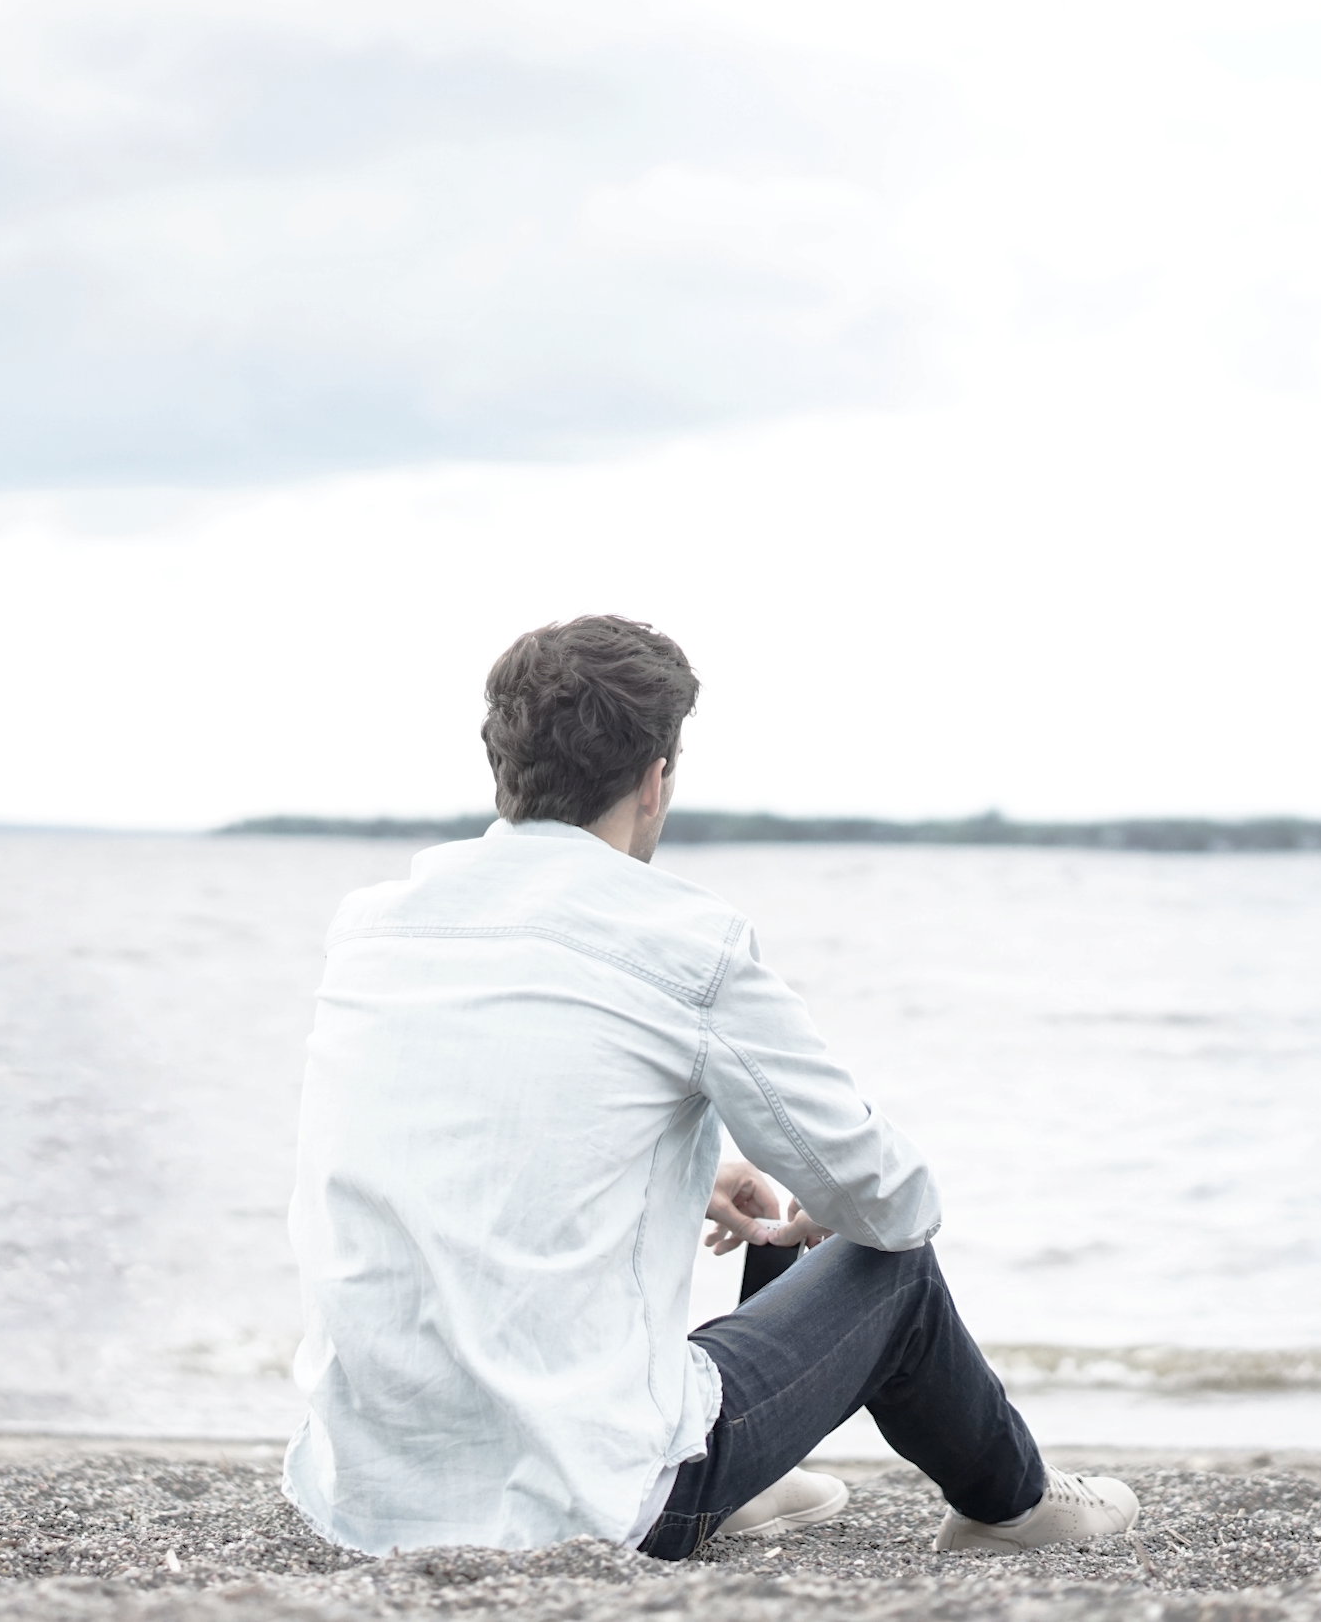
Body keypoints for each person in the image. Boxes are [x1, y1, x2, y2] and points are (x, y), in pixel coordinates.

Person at [281, 615, 1138, 1560]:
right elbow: (893, 1201)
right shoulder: (683, 939)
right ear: (655, 779)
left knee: (786, 1212)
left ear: (504, 766)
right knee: (894, 1271)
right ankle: (1013, 1505)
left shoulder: (373, 926)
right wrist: (829, 1196)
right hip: (592, 1498)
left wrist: (693, 1170)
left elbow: (476, 1147)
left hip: (365, 1488)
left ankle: (755, 1476)